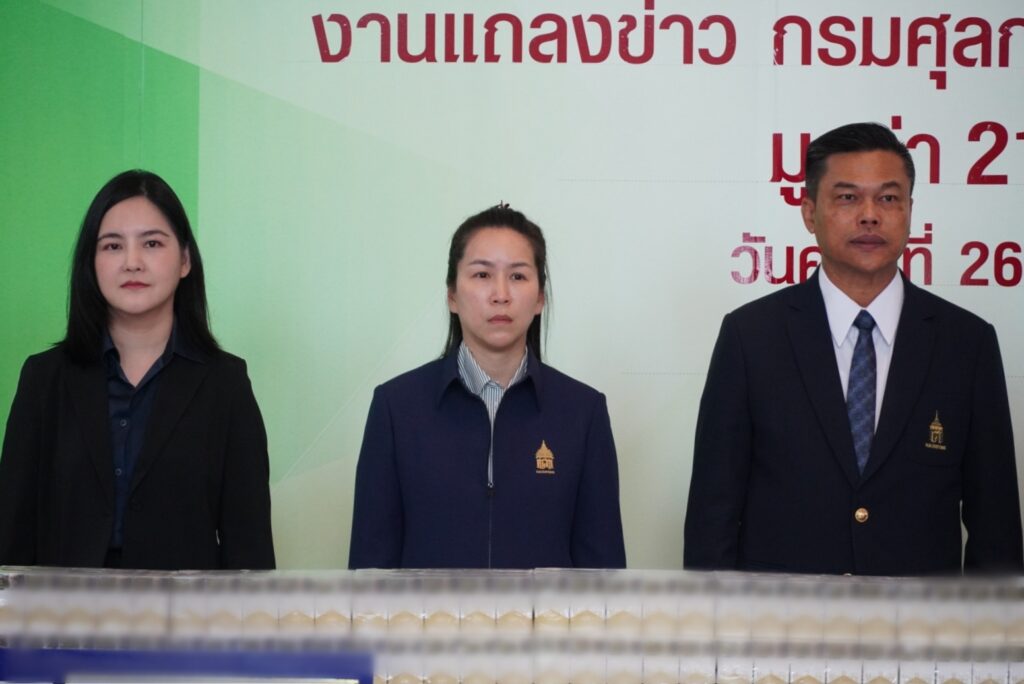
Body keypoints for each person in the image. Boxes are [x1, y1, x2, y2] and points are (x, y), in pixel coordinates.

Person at [684, 122, 1023, 575]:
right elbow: (712, 518)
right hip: (779, 616)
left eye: (889, 198)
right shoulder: (751, 337)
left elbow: (996, 530)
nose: (870, 215)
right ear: (809, 213)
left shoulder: (967, 344)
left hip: (921, 618)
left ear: (910, 210)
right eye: (847, 197)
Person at [0, 170, 275, 570]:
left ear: (185, 260)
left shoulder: (226, 384)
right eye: (113, 246)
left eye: (152, 243)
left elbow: (249, 546)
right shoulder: (45, 379)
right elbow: (11, 533)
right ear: (92, 263)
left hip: (184, 608)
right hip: (62, 607)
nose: (132, 262)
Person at [349, 205, 626, 569]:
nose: (500, 294)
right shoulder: (396, 408)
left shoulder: (582, 412)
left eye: (518, 276)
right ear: (452, 294)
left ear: (540, 298)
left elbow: (602, 573)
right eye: (482, 274)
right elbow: (370, 569)